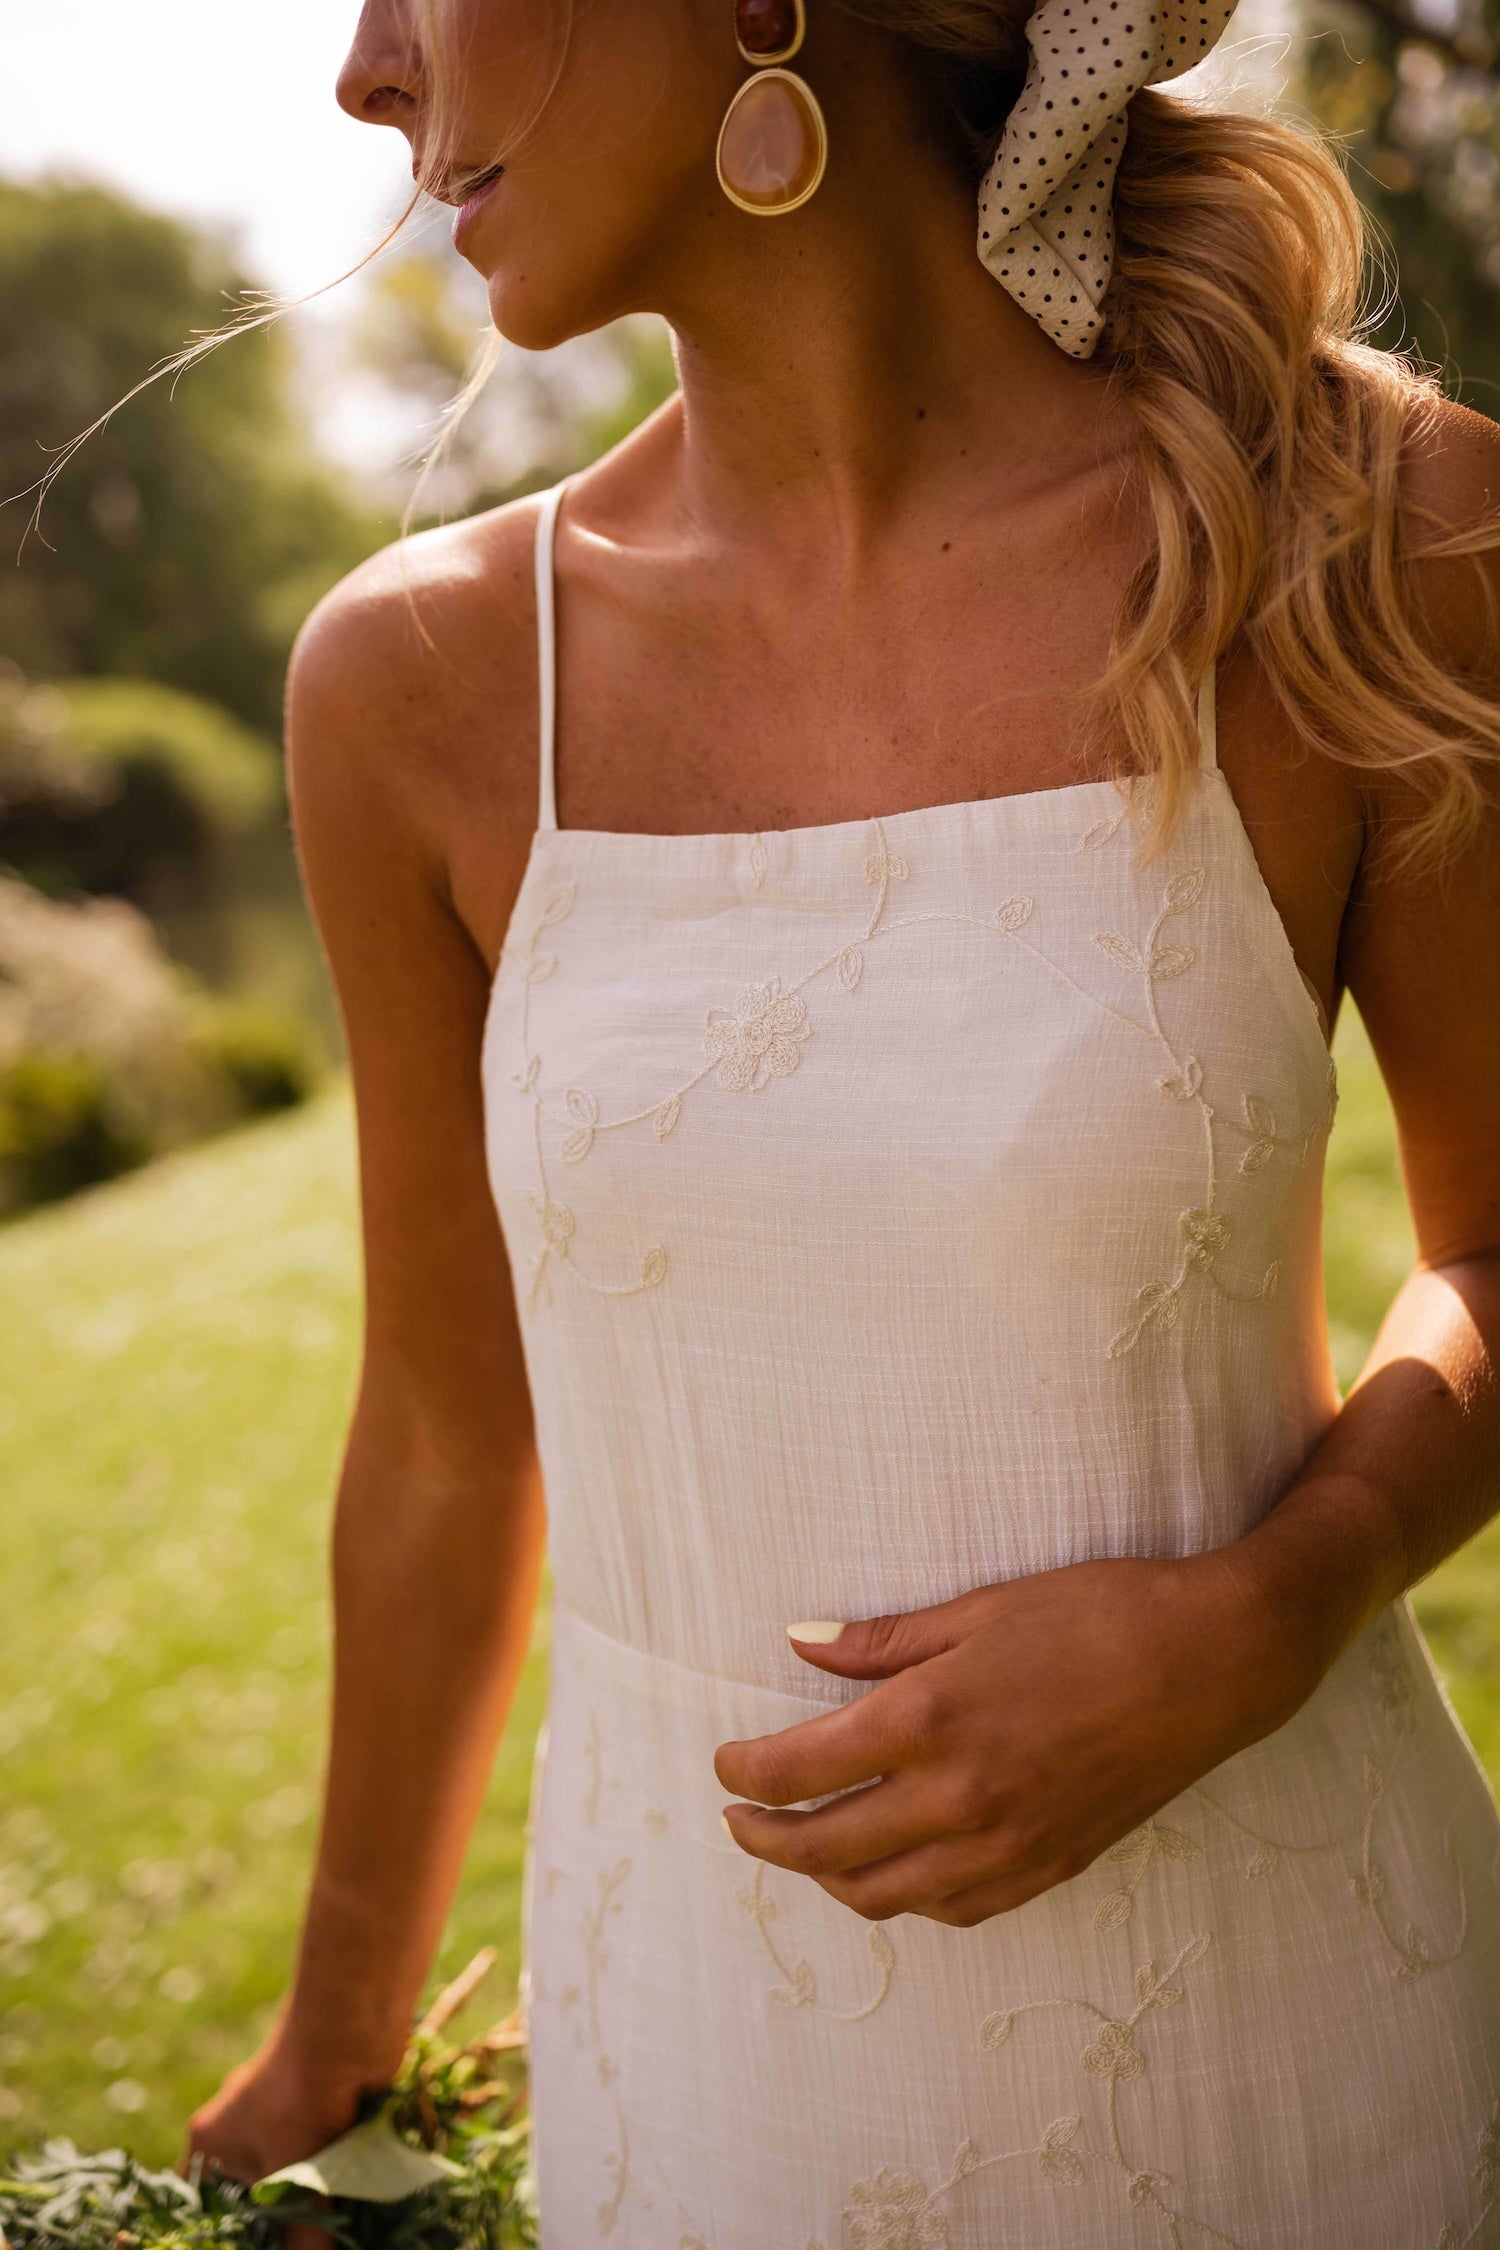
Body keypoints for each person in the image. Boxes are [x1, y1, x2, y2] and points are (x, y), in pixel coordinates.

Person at [184, 1, 1500, 2241]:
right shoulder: (415, 688)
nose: (367, 75)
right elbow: (437, 1432)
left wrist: (1293, 1591)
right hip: (701, 2086)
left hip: (1318, 2067)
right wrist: (332, 2046)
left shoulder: (1373, 526)